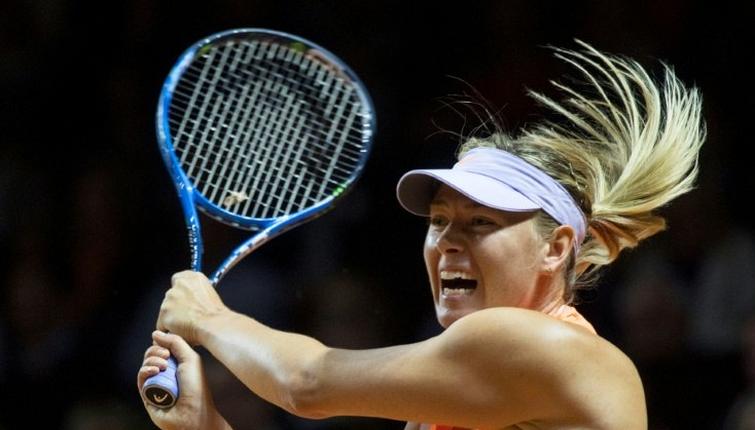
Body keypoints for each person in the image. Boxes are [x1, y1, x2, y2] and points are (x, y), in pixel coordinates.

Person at [138, 41, 705, 430]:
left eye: (480, 222)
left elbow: (307, 383)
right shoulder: (452, 392)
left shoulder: (537, 347)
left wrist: (209, 319)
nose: (448, 241)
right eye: (438, 222)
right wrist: (205, 424)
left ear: (555, 248)